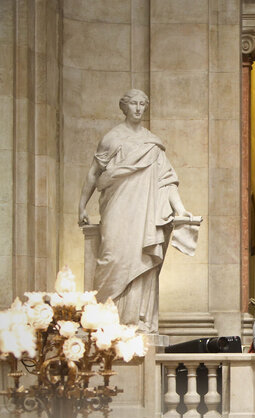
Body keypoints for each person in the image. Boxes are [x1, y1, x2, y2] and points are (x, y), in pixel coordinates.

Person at [77, 89, 198, 333]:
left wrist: (180, 209)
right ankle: (102, 320)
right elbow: (93, 173)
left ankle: (137, 320)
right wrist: (81, 204)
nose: (139, 108)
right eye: (133, 104)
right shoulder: (112, 138)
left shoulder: (152, 144)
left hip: (144, 214)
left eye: (143, 104)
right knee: (112, 256)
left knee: (142, 260)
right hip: (117, 208)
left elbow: (166, 180)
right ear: (124, 107)